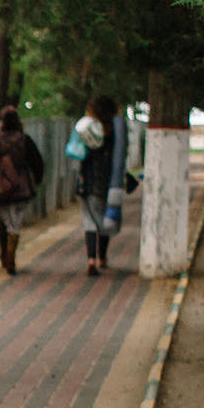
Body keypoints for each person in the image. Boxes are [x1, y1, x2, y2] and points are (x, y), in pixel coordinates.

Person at [0, 105, 45, 275]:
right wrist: (36, 180)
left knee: (4, 221)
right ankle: (11, 255)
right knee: (15, 223)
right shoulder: (25, 139)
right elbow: (37, 162)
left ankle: (4, 255)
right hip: (21, 187)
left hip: (0, 188)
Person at [75, 95, 130, 276]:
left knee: (89, 221)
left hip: (89, 180)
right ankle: (102, 257)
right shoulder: (115, 129)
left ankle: (91, 258)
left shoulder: (87, 129)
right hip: (108, 181)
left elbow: (79, 154)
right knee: (104, 221)